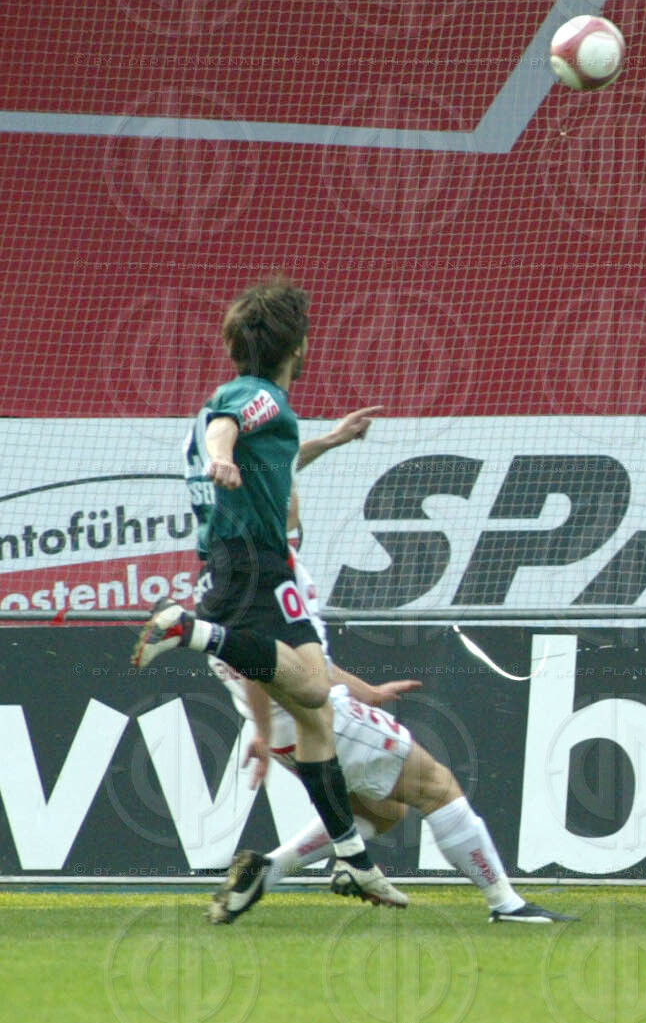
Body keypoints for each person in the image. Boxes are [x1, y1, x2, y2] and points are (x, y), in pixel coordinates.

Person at [130, 276, 405, 909]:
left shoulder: (261, 410)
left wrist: (329, 441)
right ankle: (190, 629)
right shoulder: (255, 399)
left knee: (316, 715)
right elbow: (231, 427)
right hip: (249, 565)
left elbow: (264, 460)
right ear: (297, 346)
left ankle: (354, 859)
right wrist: (220, 454)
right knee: (312, 692)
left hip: (263, 566)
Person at [207, 556, 575, 926]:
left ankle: (266, 871)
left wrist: (369, 692)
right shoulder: (270, 572)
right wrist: (264, 729)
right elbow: (263, 659)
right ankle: (506, 903)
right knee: (437, 787)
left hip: (286, 736)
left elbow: (294, 665)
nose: (292, 498)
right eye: (284, 495)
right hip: (318, 720)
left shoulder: (219, 583)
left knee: (381, 811)